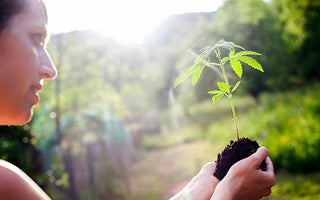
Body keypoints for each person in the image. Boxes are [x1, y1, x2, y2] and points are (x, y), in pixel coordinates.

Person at [0, 0, 275, 199]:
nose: (51, 69)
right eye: (36, 38)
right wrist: (227, 195)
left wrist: (195, 192)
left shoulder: (7, 182)